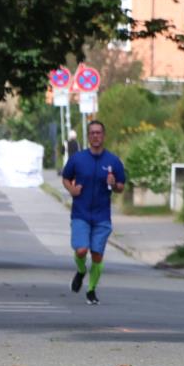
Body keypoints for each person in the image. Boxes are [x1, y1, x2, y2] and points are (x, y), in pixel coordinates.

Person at [61, 120, 126, 305]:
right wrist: (71, 190)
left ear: (103, 136)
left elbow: (121, 187)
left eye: (99, 133)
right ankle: (81, 271)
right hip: (80, 213)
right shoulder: (78, 159)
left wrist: (114, 184)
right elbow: (66, 178)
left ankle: (91, 290)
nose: (96, 136)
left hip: (102, 216)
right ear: (88, 137)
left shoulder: (113, 161)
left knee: (97, 254)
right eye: (92, 133)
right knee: (81, 250)